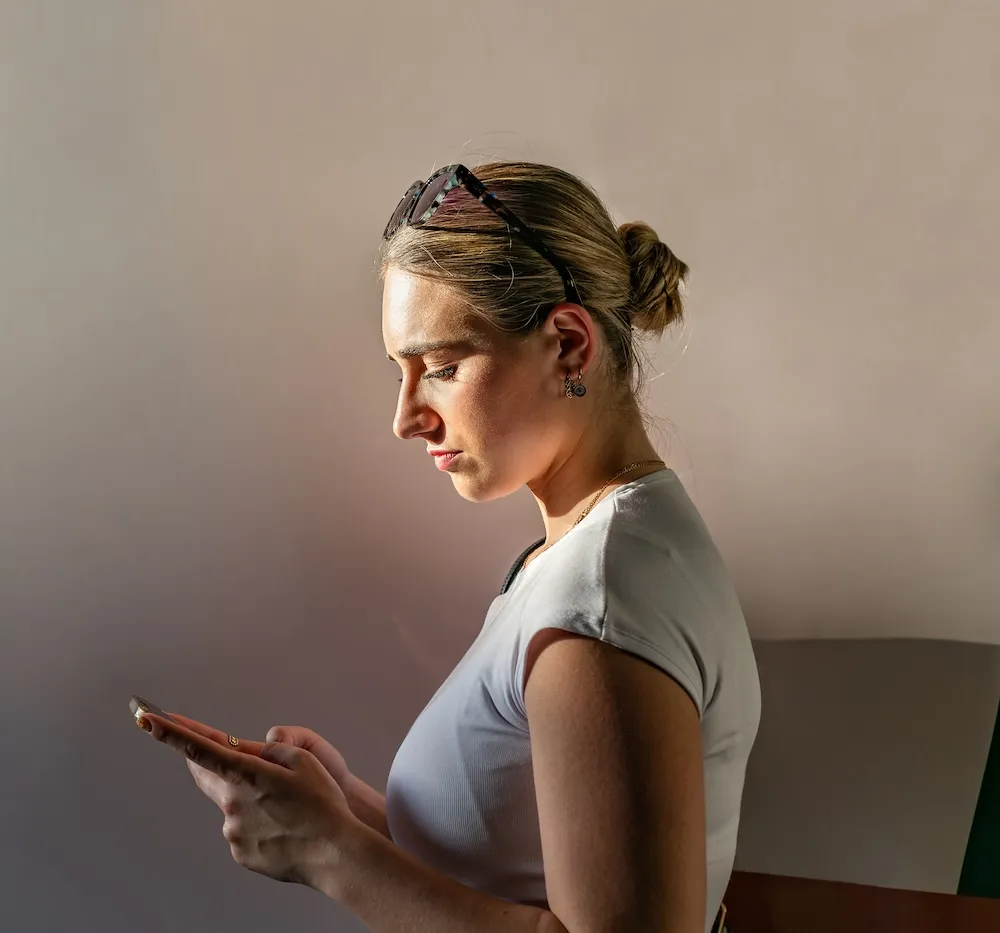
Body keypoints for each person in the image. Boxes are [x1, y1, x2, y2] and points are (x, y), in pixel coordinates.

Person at [135, 161, 761, 933]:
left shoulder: (602, 602)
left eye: (441, 367)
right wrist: (347, 811)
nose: (406, 417)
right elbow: (510, 869)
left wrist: (329, 851)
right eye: (401, 372)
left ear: (568, 343)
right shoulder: (599, 554)